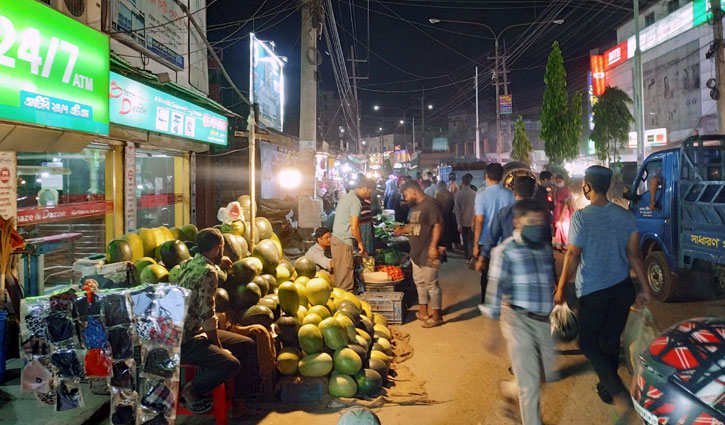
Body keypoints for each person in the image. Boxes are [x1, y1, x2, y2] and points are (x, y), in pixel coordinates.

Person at [554, 165, 651, 424]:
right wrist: (644, 287)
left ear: (587, 186)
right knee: (609, 339)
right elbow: (634, 255)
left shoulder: (581, 217)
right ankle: (607, 389)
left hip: (593, 290)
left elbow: (573, 254)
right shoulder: (625, 216)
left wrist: (562, 286)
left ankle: (618, 391)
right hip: (621, 289)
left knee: (587, 342)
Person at [482, 199, 557, 425]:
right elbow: (493, 293)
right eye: (531, 222)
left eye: (540, 222)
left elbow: (547, 282)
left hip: (544, 321)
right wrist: (491, 332)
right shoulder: (504, 252)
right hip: (517, 320)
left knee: (542, 376)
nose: (537, 226)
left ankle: (509, 389)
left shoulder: (544, 247)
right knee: (530, 385)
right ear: (517, 223)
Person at [179, 228, 257, 417]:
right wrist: (218, 347)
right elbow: (208, 317)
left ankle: (239, 402)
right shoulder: (208, 274)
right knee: (231, 364)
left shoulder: (189, 264)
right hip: (187, 341)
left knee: (247, 344)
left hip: (187, 332)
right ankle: (191, 389)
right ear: (219, 247)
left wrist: (219, 263)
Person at [395, 181, 444, 328]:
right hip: (416, 252)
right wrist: (402, 230)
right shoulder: (415, 207)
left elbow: (438, 225)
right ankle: (423, 312)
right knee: (420, 283)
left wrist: (434, 246)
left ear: (413, 191)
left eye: (406, 194)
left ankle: (437, 316)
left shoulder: (430, 204)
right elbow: (414, 225)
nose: (405, 198)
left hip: (427, 251)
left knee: (432, 285)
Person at [478, 176, 547, 264]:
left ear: (514, 193)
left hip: (509, 260)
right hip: (535, 261)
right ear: (533, 193)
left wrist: (483, 257)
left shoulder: (504, 212)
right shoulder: (541, 213)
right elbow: (546, 239)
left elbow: (492, 237)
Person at [473, 163, 515, 303]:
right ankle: (503, 301)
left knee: (486, 274)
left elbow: (479, 221)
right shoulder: (509, 195)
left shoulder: (481, 195)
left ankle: (487, 301)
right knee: (504, 273)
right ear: (502, 176)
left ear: (486, 176)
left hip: (486, 241)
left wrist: (475, 244)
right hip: (505, 241)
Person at [332, 177, 375, 291]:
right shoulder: (355, 202)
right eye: (369, 192)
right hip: (344, 241)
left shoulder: (346, 197)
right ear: (365, 188)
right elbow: (354, 226)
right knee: (345, 280)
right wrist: (360, 243)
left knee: (340, 275)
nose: (368, 195)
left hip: (337, 239)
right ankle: (345, 305)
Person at [455, 173, 477, 260]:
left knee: (465, 240)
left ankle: (468, 257)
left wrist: (458, 223)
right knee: (471, 240)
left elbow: (457, 210)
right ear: (470, 182)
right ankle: (472, 257)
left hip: (463, 221)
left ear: (462, 182)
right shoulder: (475, 194)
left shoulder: (458, 194)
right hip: (472, 221)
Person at [435, 181, 456, 250]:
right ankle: (449, 246)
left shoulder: (438, 194)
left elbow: (436, 205)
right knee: (449, 231)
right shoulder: (449, 194)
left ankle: (443, 246)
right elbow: (453, 204)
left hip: (441, 215)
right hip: (449, 215)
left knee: (442, 232)